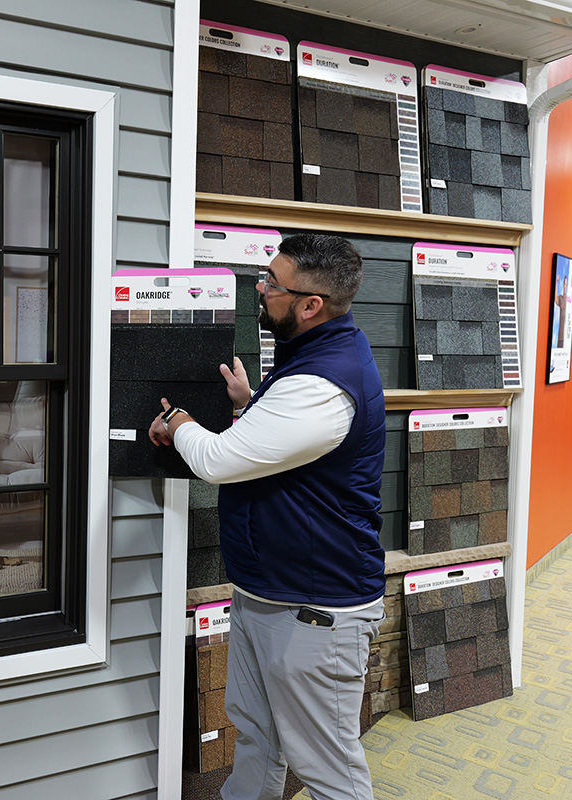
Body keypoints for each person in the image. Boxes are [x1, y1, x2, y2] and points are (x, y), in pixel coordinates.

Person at [149, 234, 386, 800]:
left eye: (273, 284)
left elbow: (218, 461)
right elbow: (284, 450)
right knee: (257, 740)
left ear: (310, 306)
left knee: (328, 767)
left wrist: (178, 421)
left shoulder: (322, 383)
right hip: (266, 595)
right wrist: (245, 406)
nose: (260, 287)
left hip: (316, 610)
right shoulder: (308, 358)